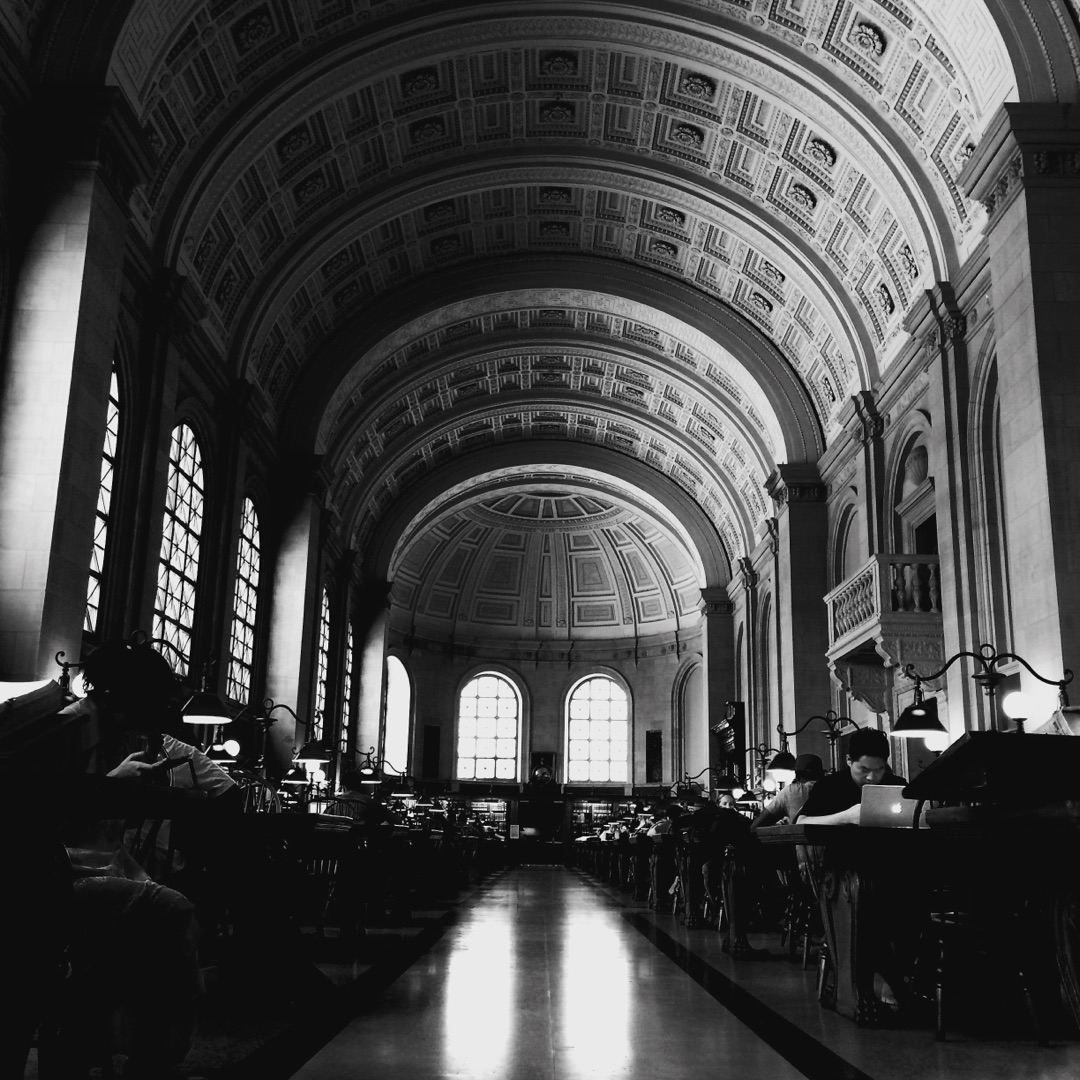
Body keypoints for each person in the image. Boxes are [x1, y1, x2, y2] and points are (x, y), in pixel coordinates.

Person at [795, 729, 905, 825]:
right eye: (864, 769)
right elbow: (802, 821)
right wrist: (846, 817)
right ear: (849, 760)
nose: (871, 777)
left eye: (879, 769)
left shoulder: (897, 786)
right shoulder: (830, 785)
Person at [751, 753, 825, 832]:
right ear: (822, 773)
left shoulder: (790, 791)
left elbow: (755, 827)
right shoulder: (833, 788)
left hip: (801, 842)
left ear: (796, 775)